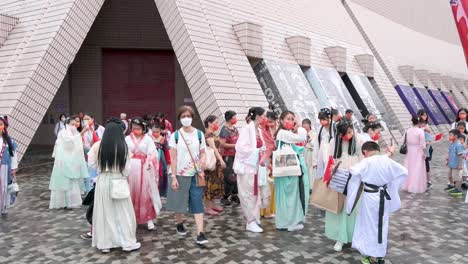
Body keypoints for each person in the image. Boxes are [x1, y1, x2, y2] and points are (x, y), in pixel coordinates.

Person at [346, 141, 408, 264]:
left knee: (368, 225)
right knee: (382, 225)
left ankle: (368, 255)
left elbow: (354, 172)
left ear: (365, 152)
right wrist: (392, 186)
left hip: (369, 198)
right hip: (383, 197)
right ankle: (379, 255)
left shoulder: (366, 162)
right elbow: (403, 172)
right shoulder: (386, 161)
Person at [88, 119, 141, 253]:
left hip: (103, 180)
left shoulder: (97, 146)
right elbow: (127, 170)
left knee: (105, 213)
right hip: (119, 180)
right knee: (123, 212)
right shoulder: (124, 146)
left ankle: (105, 244)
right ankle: (127, 243)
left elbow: (91, 164)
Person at [166, 106, 208, 244]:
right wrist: (173, 177)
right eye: (183, 116)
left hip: (196, 174)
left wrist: (202, 161)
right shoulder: (175, 136)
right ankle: (179, 223)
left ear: (192, 117)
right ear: (179, 119)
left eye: (188, 116)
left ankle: (200, 233)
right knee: (179, 201)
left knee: (197, 202)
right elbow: (173, 158)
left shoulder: (199, 134)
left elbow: (203, 152)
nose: (186, 118)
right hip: (179, 174)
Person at [325, 120, 363, 252]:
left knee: (353, 207)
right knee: (339, 208)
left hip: (355, 176)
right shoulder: (334, 142)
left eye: (350, 132)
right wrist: (333, 168)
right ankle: (340, 237)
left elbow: (362, 156)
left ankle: (355, 237)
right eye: (345, 134)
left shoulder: (358, 139)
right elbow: (329, 159)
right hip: (339, 177)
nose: (348, 136)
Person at [234, 107, 271, 233]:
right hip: (247, 167)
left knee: (255, 193)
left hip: (255, 167)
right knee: (248, 194)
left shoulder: (257, 130)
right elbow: (240, 148)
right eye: (264, 116)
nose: (265, 118)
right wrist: (257, 152)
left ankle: (254, 217)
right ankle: (250, 221)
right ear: (258, 116)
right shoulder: (247, 128)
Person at [274, 111, 309, 232]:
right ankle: (290, 222)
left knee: (287, 194)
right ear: (282, 121)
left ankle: (285, 221)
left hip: (285, 166)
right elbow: (302, 137)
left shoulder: (283, 133)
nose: (290, 121)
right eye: (288, 119)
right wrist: (299, 124)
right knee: (291, 193)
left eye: (292, 119)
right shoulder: (283, 133)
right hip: (288, 167)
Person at [126, 118, 161, 230]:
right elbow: (124, 152)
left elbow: (153, 152)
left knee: (146, 193)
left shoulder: (148, 139)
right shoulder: (127, 139)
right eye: (134, 127)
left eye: (138, 128)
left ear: (143, 129)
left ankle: (148, 218)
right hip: (130, 169)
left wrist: (150, 161)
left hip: (144, 168)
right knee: (131, 193)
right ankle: (132, 219)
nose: (135, 130)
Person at [49, 116, 89, 209]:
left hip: (71, 161)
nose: (74, 126)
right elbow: (69, 142)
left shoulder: (72, 132)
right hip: (64, 161)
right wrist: (81, 133)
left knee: (72, 181)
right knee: (64, 181)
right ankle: (63, 202)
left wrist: (80, 134)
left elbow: (75, 142)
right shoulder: (63, 133)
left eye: (75, 124)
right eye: (72, 124)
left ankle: (71, 202)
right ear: (67, 124)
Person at [203, 115, 226, 216]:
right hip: (211, 163)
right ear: (209, 123)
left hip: (215, 162)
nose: (217, 124)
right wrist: (221, 160)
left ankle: (212, 205)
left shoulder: (213, 134)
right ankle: (207, 207)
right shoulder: (208, 134)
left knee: (214, 184)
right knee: (209, 184)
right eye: (215, 122)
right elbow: (214, 148)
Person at [401, 116, 427, 194]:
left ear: (412, 121)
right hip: (418, 151)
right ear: (419, 123)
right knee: (417, 168)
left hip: (410, 151)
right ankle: (415, 186)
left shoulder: (407, 131)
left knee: (409, 167)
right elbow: (423, 144)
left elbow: (403, 141)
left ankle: (407, 185)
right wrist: (424, 153)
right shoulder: (420, 131)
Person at [219, 110, 240, 206]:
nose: (236, 119)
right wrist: (234, 145)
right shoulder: (225, 130)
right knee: (229, 176)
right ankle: (225, 196)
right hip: (228, 156)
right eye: (235, 117)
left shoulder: (235, 129)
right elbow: (222, 143)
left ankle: (234, 195)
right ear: (230, 118)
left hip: (236, 156)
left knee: (236, 175)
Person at [260, 111, 278, 218]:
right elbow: (268, 145)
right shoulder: (262, 130)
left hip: (269, 157)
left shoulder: (267, 130)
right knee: (267, 184)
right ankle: (266, 211)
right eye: (268, 121)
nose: (270, 123)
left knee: (269, 184)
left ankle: (268, 210)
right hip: (265, 158)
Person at [82, 113, 105, 193]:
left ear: (92, 119)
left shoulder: (100, 128)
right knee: (89, 174)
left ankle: (99, 191)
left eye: (88, 119)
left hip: (99, 153)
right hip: (88, 154)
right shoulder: (84, 130)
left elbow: (103, 140)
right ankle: (90, 192)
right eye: (84, 119)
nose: (86, 121)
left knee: (98, 172)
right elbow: (83, 143)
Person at [0, 116, 18, 215]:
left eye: (1, 124)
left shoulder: (9, 140)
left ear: (4, 126)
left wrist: (14, 168)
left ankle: (3, 206)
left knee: (4, 188)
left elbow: (13, 154)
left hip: (5, 166)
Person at [150, 123, 171, 197]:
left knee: (161, 177)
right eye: (154, 132)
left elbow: (167, 152)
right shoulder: (149, 138)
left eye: (157, 132)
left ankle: (160, 194)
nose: (155, 133)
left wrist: (168, 163)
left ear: (160, 131)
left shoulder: (163, 140)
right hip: (151, 161)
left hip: (161, 162)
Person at [313, 108, 333, 179]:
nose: (322, 122)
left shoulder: (334, 128)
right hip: (321, 155)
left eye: (323, 119)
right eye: (320, 120)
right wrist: (315, 161)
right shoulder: (320, 129)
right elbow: (316, 145)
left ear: (329, 118)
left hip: (331, 156)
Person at [445, 130, 464, 197]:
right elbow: (449, 153)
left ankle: (458, 189)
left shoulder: (458, 145)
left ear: (455, 136)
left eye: (451, 135)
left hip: (456, 165)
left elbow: (460, 156)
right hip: (451, 163)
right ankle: (452, 186)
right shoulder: (451, 143)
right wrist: (447, 160)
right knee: (450, 176)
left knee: (456, 177)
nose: (449, 137)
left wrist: (460, 165)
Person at [302, 118, 316, 193]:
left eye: (306, 124)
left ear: (309, 125)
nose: (304, 125)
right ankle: (305, 184)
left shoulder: (313, 133)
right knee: (305, 168)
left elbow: (314, 144)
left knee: (310, 168)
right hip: (304, 151)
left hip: (310, 151)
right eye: (303, 124)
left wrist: (310, 140)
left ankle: (311, 186)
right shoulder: (302, 133)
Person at [419, 120, 433, 189]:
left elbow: (428, 142)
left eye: (422, 124)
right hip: (419, 153)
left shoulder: (426, 133)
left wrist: (420, 144)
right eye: (419, 124)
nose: (420, 125)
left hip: (425, 154)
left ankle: (429, 181)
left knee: (427, 168)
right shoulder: (418, 132)